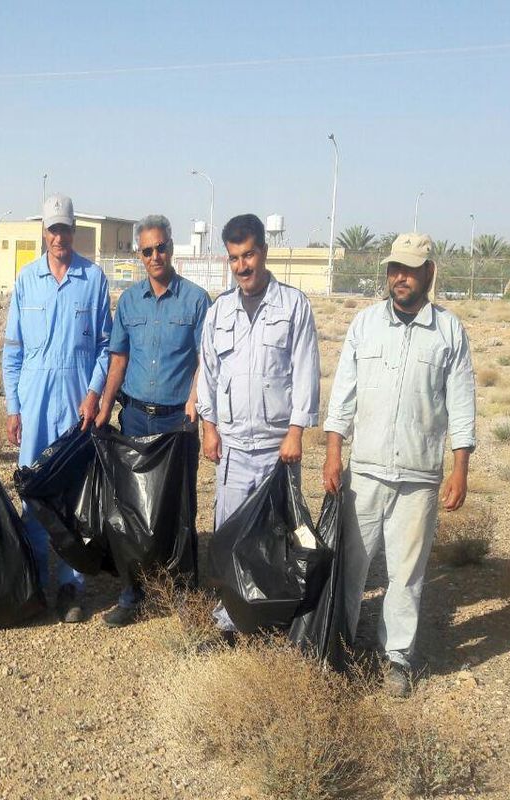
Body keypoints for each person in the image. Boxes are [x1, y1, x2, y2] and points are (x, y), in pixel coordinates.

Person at [322, 232, 476, 697]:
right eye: (394, 268)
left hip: (418, 477)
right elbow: (342, 395)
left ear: (430, 272)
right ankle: (341, 648)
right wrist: (333, 452)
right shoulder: (364, 325)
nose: (399, 277)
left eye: (409, 269)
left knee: (405, 575)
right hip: (364, 471)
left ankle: (397, 659)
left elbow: (462, 404)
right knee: (351, 567)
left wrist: (460, 468)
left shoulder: (449, 332)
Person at [196, 213, 321, 631]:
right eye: (234, 258)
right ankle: (229, 620)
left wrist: (296, 432)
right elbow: (209, 373)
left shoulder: (293, 306)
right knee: (230, 536)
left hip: (275, 450)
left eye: (248, 255)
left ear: (263, 252)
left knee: (278, 539)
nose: (242, 266)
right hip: (232, 448)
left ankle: (276, 618)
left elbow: (306, 371)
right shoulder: (219, 312)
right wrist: (209, 428)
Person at [94, 214, 210, 627]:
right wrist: (106, 407)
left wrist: (195, 404)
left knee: (178, 510)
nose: (155, 255)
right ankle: (133, 592)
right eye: (147, 250)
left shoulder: (197, 300)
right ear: (139, 254)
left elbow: (204, 360)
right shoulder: (128, 302)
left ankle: (182, 595)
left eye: (161, 247)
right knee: (132, 511)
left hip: (177, 424)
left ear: (172, 248)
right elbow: (118, 359)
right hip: (136, 421)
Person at [2, 193, 111, 623]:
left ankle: (70, 585)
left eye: (64, 228)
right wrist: (13, 407)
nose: (58, 236)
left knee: (71, 495)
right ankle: (33, 582)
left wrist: (95, 392)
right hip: (34, 401)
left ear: (73, 231)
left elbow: (105, 346)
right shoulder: (26, 280)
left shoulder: (94, 278)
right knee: (32, 491)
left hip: (75, 402)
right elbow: (13, 351)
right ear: (43, 232)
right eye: (52, 228)